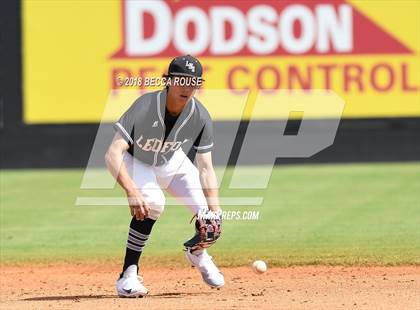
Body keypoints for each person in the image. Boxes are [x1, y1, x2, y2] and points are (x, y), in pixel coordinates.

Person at [105, 55, 224, 298]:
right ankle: (128, 275)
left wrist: (216, 210)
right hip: (137, 161)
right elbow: (112, 153)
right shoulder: (146, 106)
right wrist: (132, 190)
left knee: (206, 214)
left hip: (172, 161)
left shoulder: (200, 115)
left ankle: (198, 253)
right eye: (181, 80)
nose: (187, 87)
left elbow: (206, 168)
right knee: (154, 204)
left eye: (193, 82)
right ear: (167, 80)